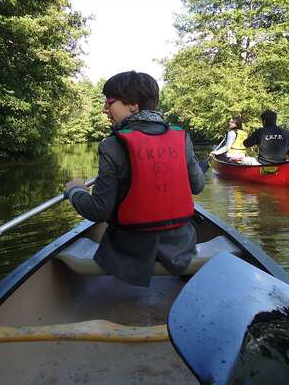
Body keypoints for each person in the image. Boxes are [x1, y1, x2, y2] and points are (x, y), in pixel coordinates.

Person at [64, 71, 205, 287]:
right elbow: (198, 186)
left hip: (128, 254)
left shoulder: (111, 145)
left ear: (133, 105)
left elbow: (98, 211)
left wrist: (75, 191)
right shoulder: (181, 136)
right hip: (181, 248)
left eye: (109, 102)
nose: (105, 109)